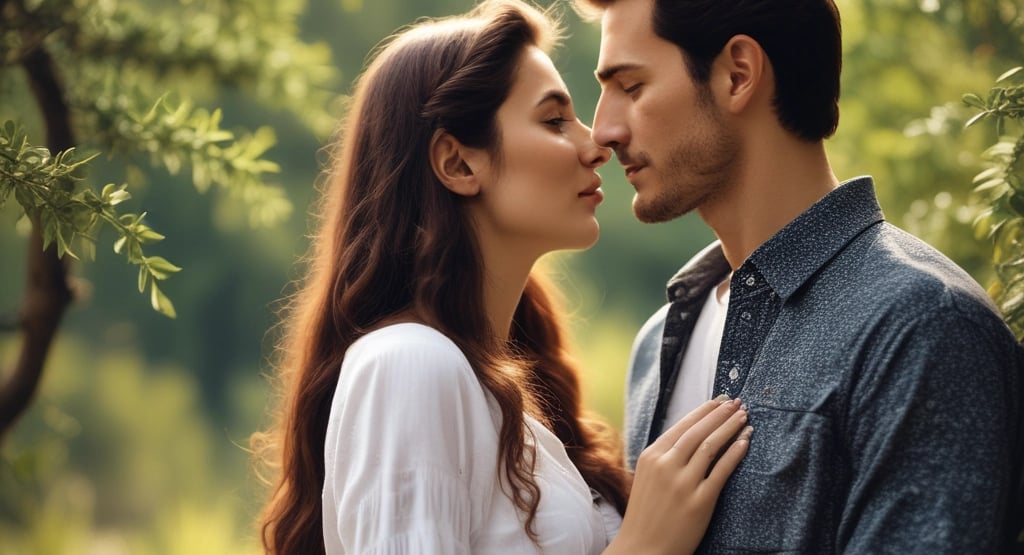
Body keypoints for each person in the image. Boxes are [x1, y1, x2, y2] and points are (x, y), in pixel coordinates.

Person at [252, 1, 755, 553]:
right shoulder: (408, 364)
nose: (596, 145)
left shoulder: (507, 390)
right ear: (459, 164)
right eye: (554, 120)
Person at [574, 0, 1024, 552]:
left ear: (738, 74)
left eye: (631, 85)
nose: (603, 130)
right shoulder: (659, 340)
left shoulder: (922, 328)